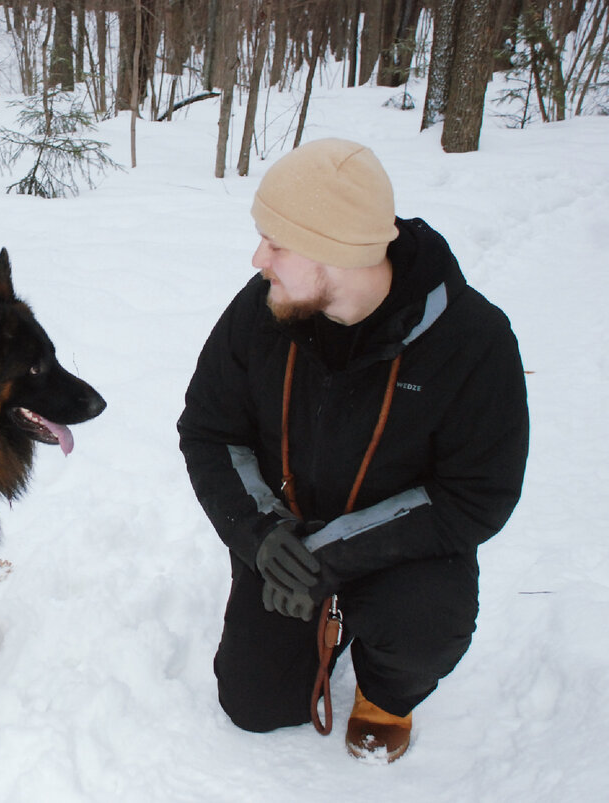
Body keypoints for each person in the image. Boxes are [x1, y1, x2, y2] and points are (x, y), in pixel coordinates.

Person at [177, 138, 529, 762]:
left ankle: (386, 694)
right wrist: (260, 535)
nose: (259, 258)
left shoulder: (473, 341)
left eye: (278, 243)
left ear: (338, 250)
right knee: (254, 706)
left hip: (401, 553)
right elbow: (209, 430)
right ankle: (318, 628)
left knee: (424, 625)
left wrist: (332, 555)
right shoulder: (265, 311)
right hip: (284, 539)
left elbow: (478, 496)